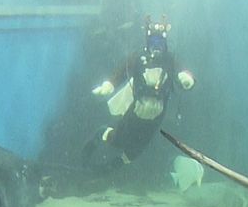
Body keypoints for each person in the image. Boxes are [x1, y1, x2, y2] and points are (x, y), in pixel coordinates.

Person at [84, 16, 195, 171]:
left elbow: (180, 69)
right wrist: (109, 85)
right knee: (118, 139)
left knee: (140, 146)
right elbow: (122, 71)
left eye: (160, 43)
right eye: (153, 42)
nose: (157, 47)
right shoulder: (137, 58)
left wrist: (186, 77)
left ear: (165, 43)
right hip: (136, 109)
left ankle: (111, 168)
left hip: (157, 115)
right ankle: (101, 133)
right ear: (147, 41)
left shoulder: (170, 59)